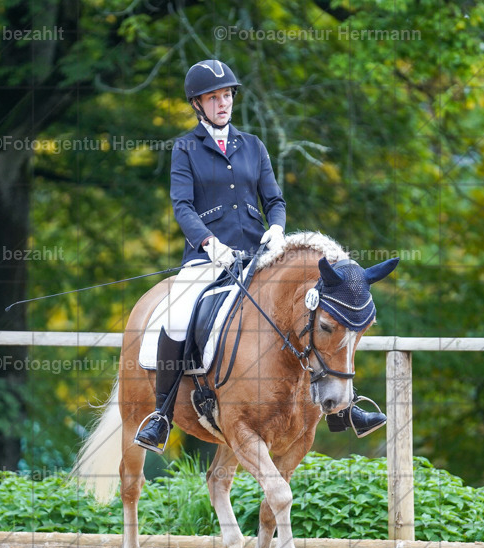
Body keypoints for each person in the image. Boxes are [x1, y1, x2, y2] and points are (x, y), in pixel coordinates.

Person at [133, 59, 386, 454]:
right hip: (208, 257)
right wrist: (208, 243)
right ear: (197, 104)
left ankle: (344, 409)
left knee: (317, 310)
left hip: (258, 256)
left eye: (227, 95)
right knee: (177, 315)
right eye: (214, 97)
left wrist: (277, 228)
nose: (223, 103)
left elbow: (275, 199)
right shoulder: (185, 148)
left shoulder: (253, 145)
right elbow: (182, 206)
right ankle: (162, 415)